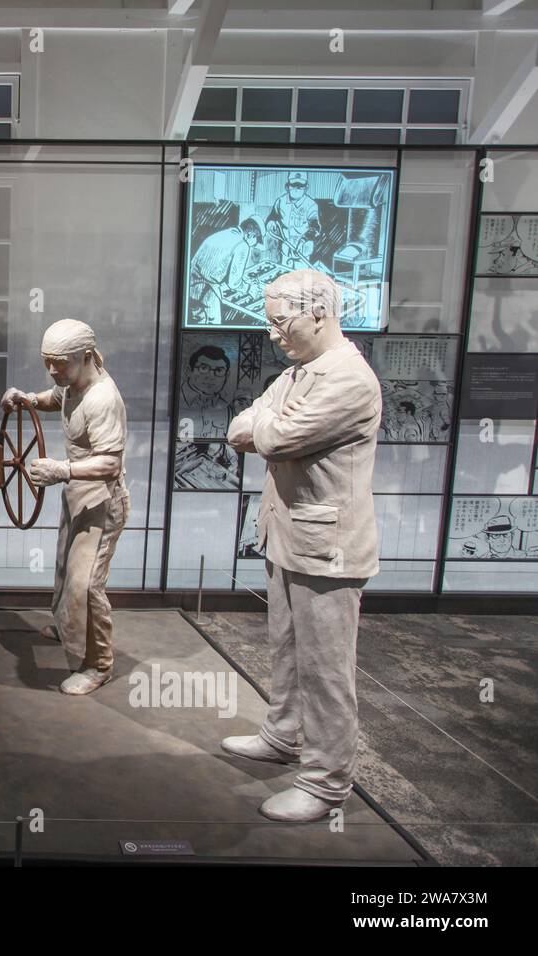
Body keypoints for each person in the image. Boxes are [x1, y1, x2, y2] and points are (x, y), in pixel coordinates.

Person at [222, 269, 381, 823]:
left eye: (279, 320)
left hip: (327, 547)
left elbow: (274, 437)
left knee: (326, 669)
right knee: (288, 652)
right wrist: (267, 422)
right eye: (268, 321)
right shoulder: (300, 373)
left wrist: (268, 424)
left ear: (319, 313)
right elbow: (238, 429)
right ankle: (284, 734)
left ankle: (326, 781)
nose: (272, 333)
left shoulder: (348, 380)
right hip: (290, 537)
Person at [1, 319, 128, 696]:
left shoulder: (103, 399)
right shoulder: (73, 384)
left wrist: (63, 469)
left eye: (59, 363)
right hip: (76, 495)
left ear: (86, 356)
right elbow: (55, 398)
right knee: (63, 569)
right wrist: (27, 398)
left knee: (86, 584)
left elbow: (111, 463)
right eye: (47, 362)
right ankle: (66, 625)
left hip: (102, 503)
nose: (52, 371)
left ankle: (97, 665)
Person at [188, 217, 263, 325]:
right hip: (206, 289)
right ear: (250, 234)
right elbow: (234, 283)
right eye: (256, 240)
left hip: (191, 284)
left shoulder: (227, 233)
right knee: (213, 324)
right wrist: (250, 288)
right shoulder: (243, 245)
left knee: (198, 320)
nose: (254, 244)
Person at [265, 171, 321, 270]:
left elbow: (315, 228)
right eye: (293, 185)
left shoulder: (311, 205)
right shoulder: (280, 201)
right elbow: (272, 217)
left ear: (306, 187)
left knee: (301, 280)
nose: (296, 189)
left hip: (303, 251)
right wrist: (270, 224)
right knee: (286, 277)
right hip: (286, 249)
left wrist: (303, 240)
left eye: (300, 186)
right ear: (287, 186)